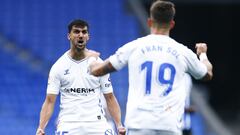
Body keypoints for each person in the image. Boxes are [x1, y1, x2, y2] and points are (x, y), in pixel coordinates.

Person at [89, 1, 213, 135]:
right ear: (172, 24)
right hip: (169, 125)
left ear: (149, 22)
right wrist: (203, 54)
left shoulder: (134, 47)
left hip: (139, 124)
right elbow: (207, 74)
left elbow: (97, 70)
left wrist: (90, 59)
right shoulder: (183, 52)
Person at [36, 19, 126, 135]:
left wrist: (119, 124)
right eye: (76, 32)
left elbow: (109, 97)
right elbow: (49, 101)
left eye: (84, 32)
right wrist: (41, 127)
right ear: (69, 36)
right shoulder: (58, 67)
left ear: (88, 36)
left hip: (96, 123)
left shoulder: (98, 64)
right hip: (69, 123)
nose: (80, 35)